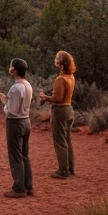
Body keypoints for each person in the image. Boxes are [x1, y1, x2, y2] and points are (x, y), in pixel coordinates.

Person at [0, 58, 33, 198]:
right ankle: (28, 185)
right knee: (24, 155)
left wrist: (4, 101)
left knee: (15, 155)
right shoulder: (27, 85)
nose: (9, 68)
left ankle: (19, 188)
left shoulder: (15, 88)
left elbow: (11, 111)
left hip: (15, 123)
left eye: (11, 66)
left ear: (15, 70)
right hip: (26, 120)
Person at [38, 50, 77, 178]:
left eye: (57, 58)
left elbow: (58, 98)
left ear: (61, 62)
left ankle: (63, 171)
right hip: (69, 109)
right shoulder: (71, 77)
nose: (55, 60)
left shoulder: (60, 79)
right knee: (67, 139)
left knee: (60, 141)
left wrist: (44, 97)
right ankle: (70, 168)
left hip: (60, 111)